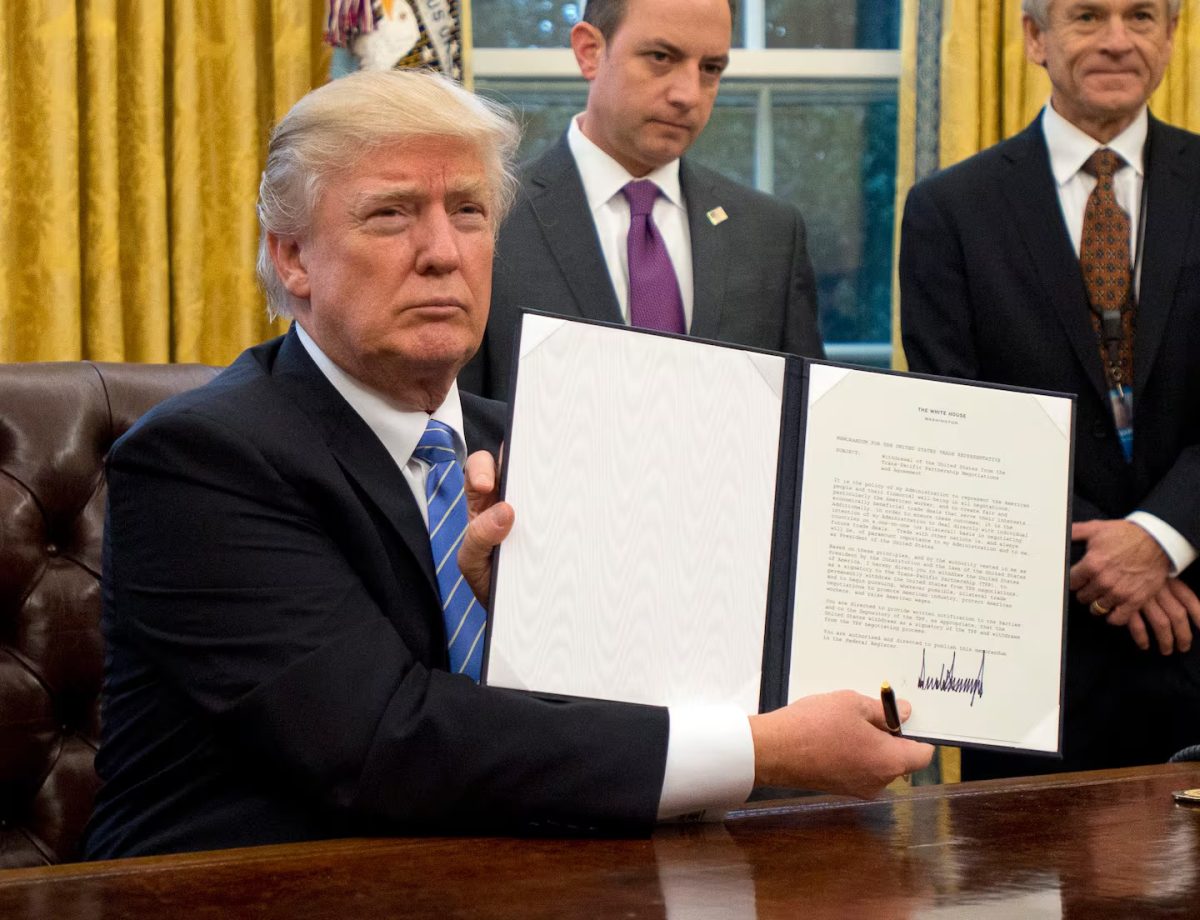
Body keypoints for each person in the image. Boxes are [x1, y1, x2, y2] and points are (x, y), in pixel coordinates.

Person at [83, 70, 931, 859]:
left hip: (532, 871)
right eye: (391, 215)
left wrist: (536, 623)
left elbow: (638, 696)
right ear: (294, 258)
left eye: (469, 212)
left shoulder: (538, 444)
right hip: (244, 888)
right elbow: (386, 744)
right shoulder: (201, 458)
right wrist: (762, 748)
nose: (442, 252)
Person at [900, 0, 1200, 780]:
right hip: (1031, 653)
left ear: (1171, 39)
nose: (1115, 39)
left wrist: (1162, 537)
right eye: (1085, 16)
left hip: (1194, 627)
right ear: (1035, 39)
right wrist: (1106, 556)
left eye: (1141, 16)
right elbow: (953, 422)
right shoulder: (948, 211)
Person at [457, 0, 824, 401]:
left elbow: (804, 423)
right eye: (661, 57)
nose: (688, 94)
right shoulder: (490, 218)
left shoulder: (769, 234)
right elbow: (457, 415)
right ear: (589, 51)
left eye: (711, 69)